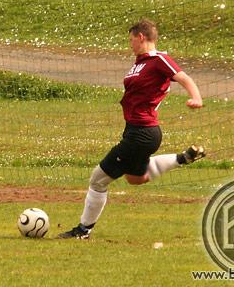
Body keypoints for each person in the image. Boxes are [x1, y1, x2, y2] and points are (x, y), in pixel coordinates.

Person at [58, 18, 205, 239]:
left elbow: (184, 77)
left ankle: (83, 230)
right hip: (137, 131)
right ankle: (183, 158)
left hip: (142, 133)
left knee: (98, 179)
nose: (130, 45)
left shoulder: (159, 59)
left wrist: (196, 98)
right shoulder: (140, 62)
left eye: (131, 40)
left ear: (141, 37)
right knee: (135, 178)